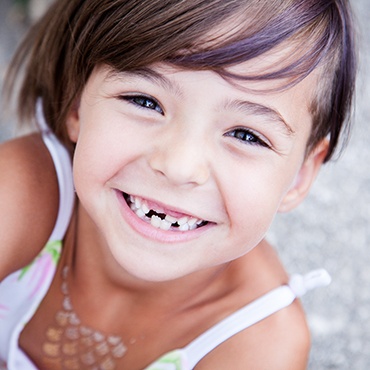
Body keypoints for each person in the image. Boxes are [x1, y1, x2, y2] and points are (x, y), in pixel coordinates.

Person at [0, 0, 356, 369]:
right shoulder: (22, 191)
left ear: (300, 174)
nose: (179, 166)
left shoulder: (259, 344)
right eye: (145, 101)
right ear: (77, 103)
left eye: (246, 135)